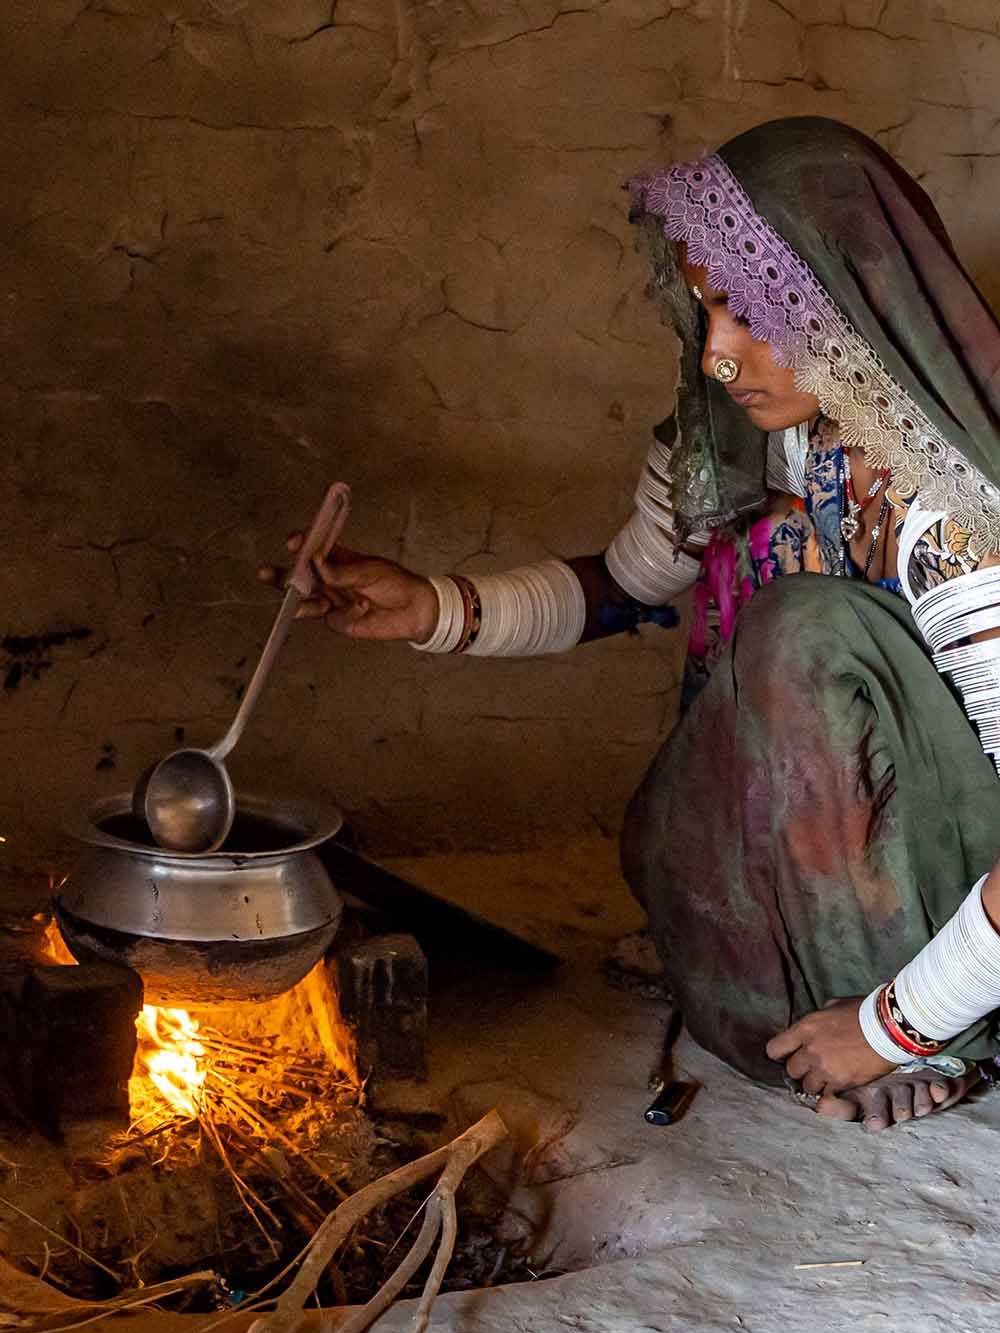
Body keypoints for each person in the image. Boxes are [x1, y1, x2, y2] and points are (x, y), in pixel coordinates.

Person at [261, 117, 1000, 1132]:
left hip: (952, 877)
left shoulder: (957, 514)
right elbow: (630, 582)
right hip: (824, 838)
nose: (716, 361)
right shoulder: (746, 436)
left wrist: (894, 1025)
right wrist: (431, 608)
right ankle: (820, 995)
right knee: (661, 833)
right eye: (702, 316)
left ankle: (922, 1031)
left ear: (852, 302)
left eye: (751, 316)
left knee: (803, 629)